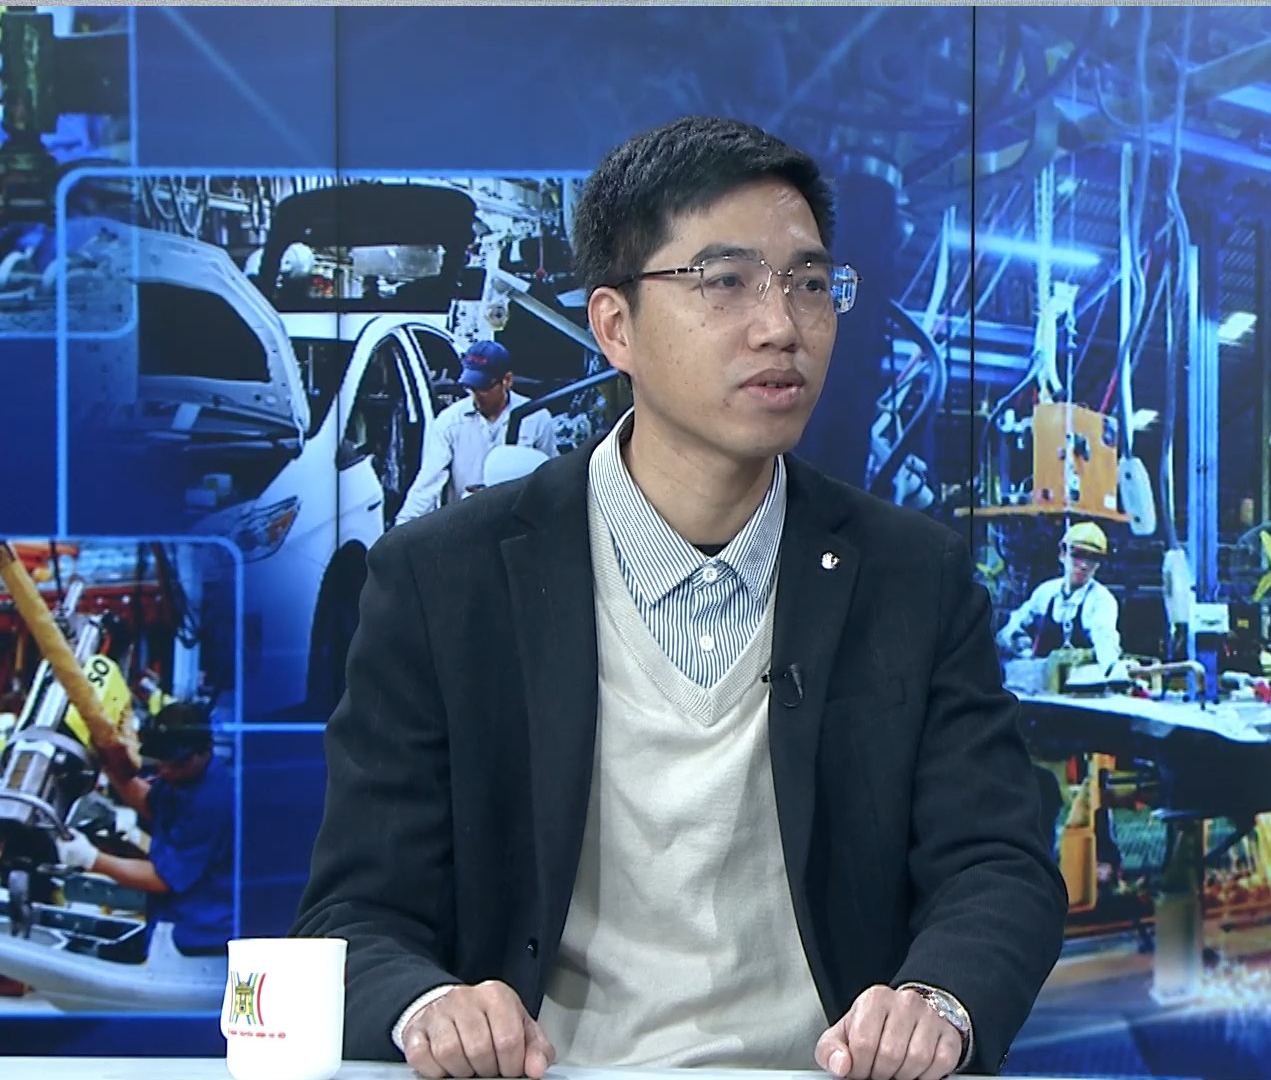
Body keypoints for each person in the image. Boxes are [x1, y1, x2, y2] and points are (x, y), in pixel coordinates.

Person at [292, 116, 1066, 1080]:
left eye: (809, 283)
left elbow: (998, 865)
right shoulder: (441, 581)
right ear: (614, 326)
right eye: (725, 281)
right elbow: (354, 914)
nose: (781, 325)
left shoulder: (914, 578)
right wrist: (430, 1007)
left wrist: (937, 1001)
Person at [54, 701, 234, 957]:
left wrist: (90, 858)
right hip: (169, 917)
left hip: (198, 936)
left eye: (177, 764)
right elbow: (151, 803)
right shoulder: (182, 778)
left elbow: (163, 879)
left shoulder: (214, 800)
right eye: (162, 761)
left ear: (205, 751)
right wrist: (110, 764)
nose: (166, 771)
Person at [394, 341, 558, 525]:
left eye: (483, 388)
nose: (475, 395)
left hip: (517, 524)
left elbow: (550, 476)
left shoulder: (536, 418)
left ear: (507, 381)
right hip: (466, 523)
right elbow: (428, 483)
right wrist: (402, 527)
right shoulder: (449, 422)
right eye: (470, 387)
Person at [995, 522, 1123, 671]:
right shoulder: (1045, 593)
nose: (1084, 565)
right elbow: (1009, 630)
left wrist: (1112, 667)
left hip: (1080, 681)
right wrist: (1021, 646)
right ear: (1063, 554)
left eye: (1092, 558)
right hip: (1042, 678)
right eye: (1078, 555)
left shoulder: (1101, 600)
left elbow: (1105, 637)